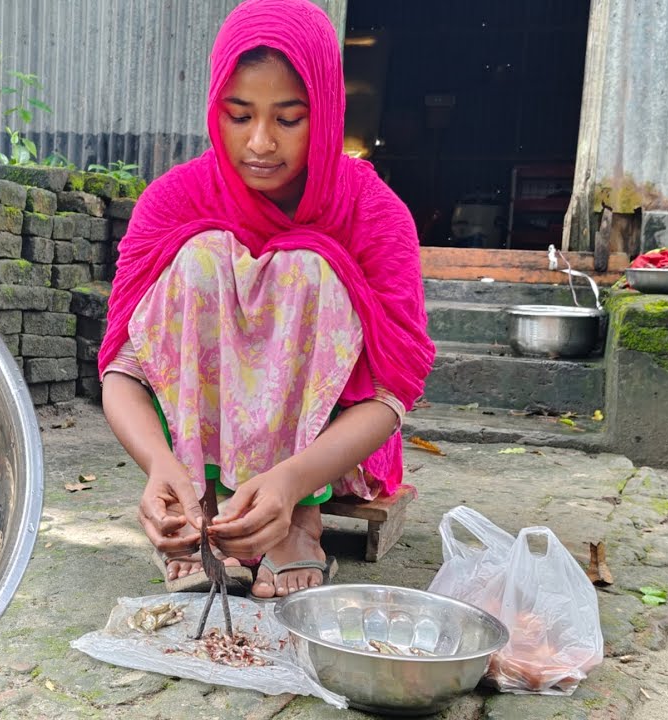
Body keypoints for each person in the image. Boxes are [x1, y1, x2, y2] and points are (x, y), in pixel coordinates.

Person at [98, 0, 435, 600]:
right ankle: (198, 504)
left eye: (289, 118)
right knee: (204, 254)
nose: (260, 143)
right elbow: (122, 365)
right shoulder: (173, 202)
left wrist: (294, 483)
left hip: (329, 454)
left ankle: (300, 521)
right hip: (191, 451)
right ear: (214, 110)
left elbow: (393, 392)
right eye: (239, 115)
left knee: (307, 265)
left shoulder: (372, 211)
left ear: (326, 114)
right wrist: (160, 468)